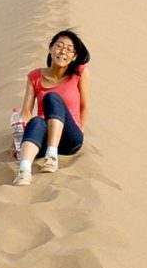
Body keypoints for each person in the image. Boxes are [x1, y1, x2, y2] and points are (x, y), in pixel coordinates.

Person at [13, 30, 91, 186]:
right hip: (44, 137)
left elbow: (84, 105)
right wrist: (16, 141)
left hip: (69, 138)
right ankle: (24, 171)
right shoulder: (35, 76)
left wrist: (80, 130)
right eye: (59, 46)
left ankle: (52, 156)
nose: (63, 52)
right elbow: (27, 112)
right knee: (36, 121)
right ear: (50, 48)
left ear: (74, 56)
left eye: (69, 49)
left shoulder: (79, 73)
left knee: (52, 98)